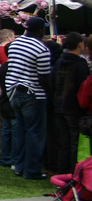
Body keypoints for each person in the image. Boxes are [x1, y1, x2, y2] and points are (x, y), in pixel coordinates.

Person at [5, 17, 53, 180]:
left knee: (21, 130)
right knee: (35, 133)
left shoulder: (15, 44)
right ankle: (32, 170)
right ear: (40, 30)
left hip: (13, 90)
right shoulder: (41, 49)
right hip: (32, 93)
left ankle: (19, 165)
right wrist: (50, 93)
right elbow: (44, 77)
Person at [53, 32, 88, 175]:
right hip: (73, 107)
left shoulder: (60, 61)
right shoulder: (81, 64)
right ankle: (73, 172)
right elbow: (84, 86)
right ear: (80, 44)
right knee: (74, 142)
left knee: (63, 141)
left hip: (59, 104)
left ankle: (61, 171)